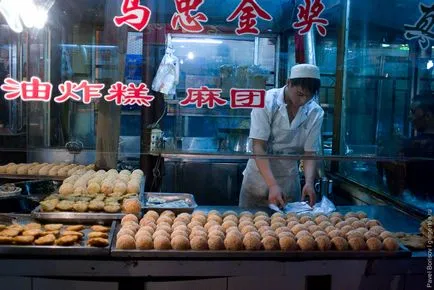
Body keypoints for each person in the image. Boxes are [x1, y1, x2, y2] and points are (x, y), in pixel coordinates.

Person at [239, 64, 324, 208]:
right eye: (300, 94)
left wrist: (309, 183)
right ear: (289, 82)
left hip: (288, 180)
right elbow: (258, 146)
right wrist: (272, 185)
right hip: (258, 180)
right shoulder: (266, 101)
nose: (303, 101)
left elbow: (309, 153)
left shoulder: (315, 112)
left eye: (308, 97)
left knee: (288, 227)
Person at [402, 94, 434, 202]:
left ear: (428, 116)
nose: (410, 117)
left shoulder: (412, 145)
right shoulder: (411, 144)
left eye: (413, 112)